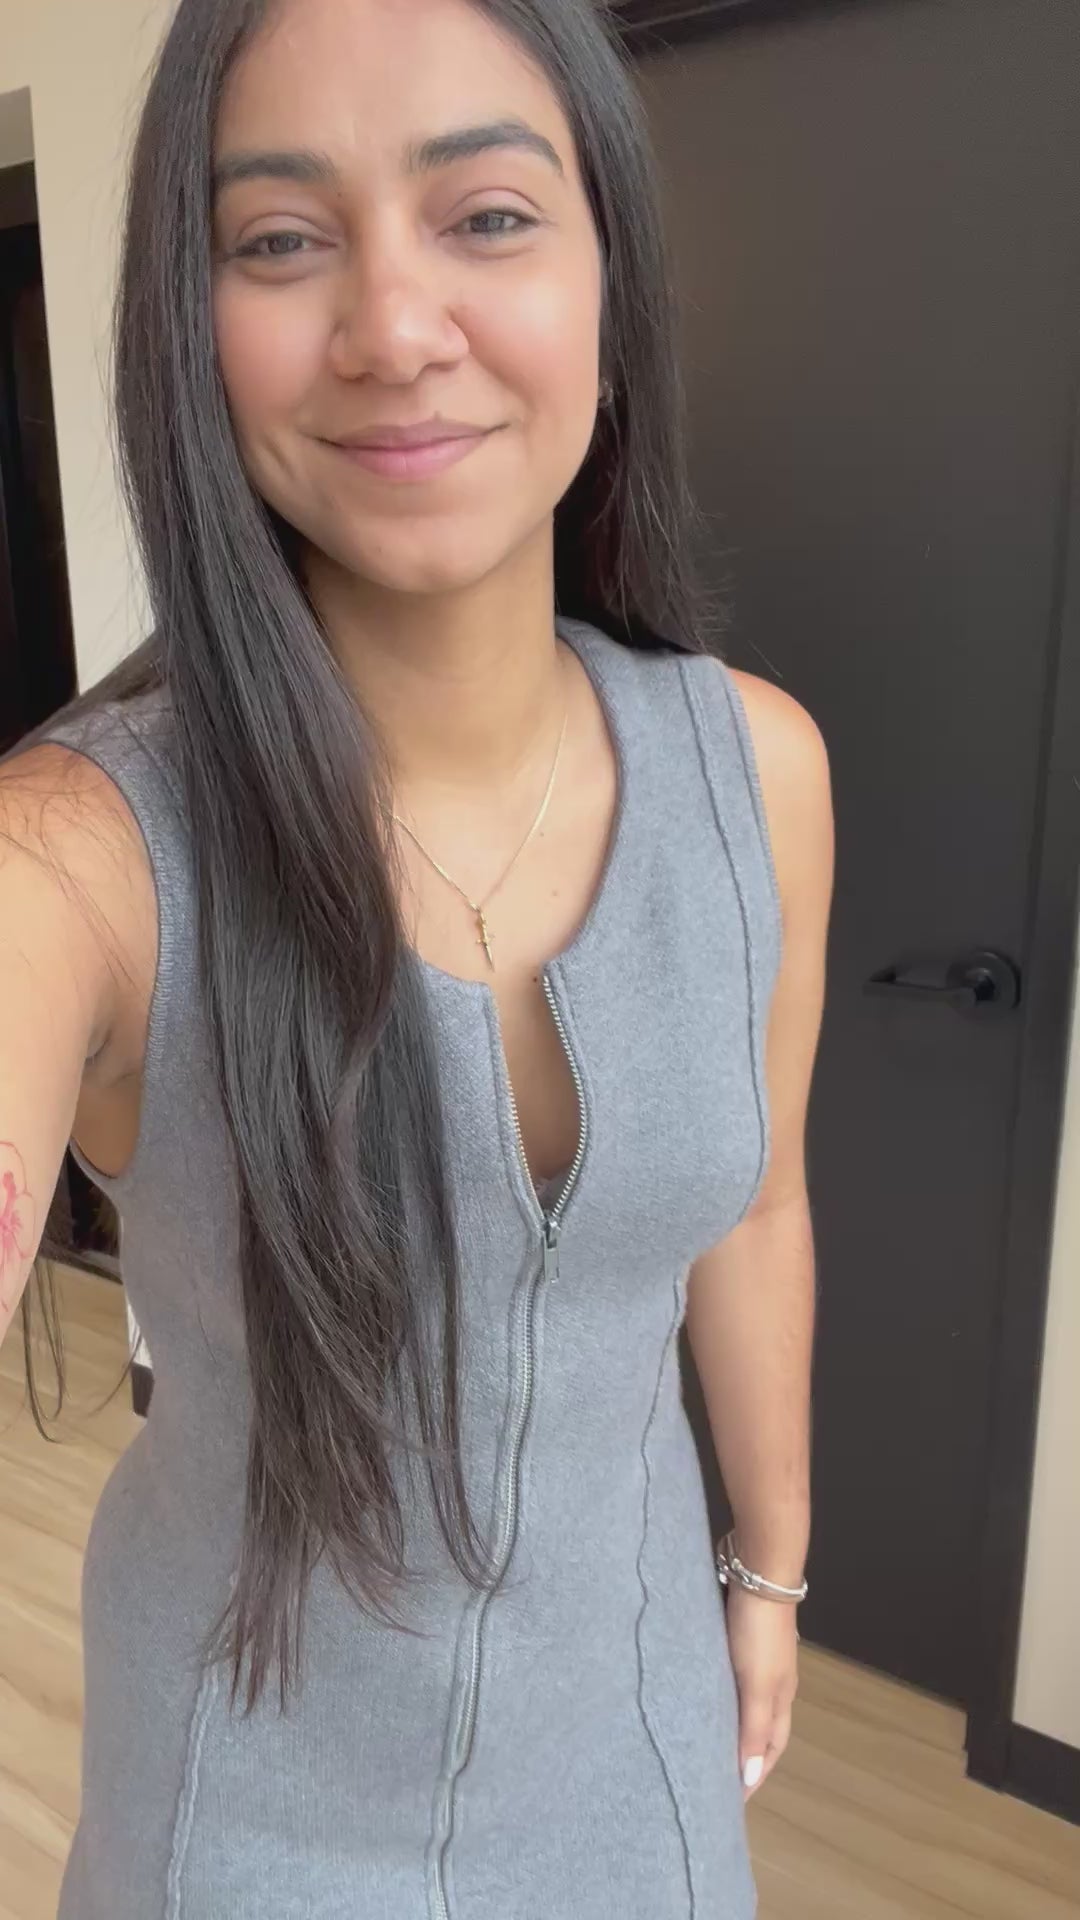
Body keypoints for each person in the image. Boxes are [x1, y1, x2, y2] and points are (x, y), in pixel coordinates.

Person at [0, 0, 833, 1913]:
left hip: (641, 1766)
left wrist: (769, 1571)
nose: (391, 326)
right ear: (190, 327)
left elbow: (761, 1201)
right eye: (282, 239)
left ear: (609, 275)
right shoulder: (85, 850)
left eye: (488, 216)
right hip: (242, 1815)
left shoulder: (758, 774)